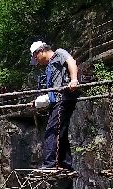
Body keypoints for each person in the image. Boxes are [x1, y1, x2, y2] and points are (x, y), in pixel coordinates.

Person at [29, 41, 80, 171]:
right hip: (56, 99)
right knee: (60, 130)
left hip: (63, 97)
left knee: (52, 130)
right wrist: (38, 102)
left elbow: (71, 62)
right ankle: (65, 164)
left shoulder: (59, 53)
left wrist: (74, 79)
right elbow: (51, 90)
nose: (37, 62)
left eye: (36, 58)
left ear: (41, 51)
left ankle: (50, 164)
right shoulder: (49, 66)